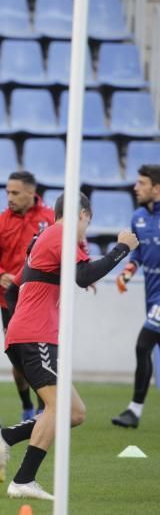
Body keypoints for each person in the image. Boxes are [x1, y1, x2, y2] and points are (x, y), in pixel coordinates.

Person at [0, 192, 138, 500]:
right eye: (88, 224)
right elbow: (83, 275)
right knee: (57, 407)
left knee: (75, 412)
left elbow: (14, 290)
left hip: (30, 334)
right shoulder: (62, 234)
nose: (85, 233)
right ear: (83, 215)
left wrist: (18, 324)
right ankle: (24, 480)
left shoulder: (46, 238)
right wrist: (123, 248)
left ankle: (5, 436)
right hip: (35, 336)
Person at [0, 171, 55, 420]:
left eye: (14, 193)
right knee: (19, 363)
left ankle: (44, 409)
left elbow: (76, 246)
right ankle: (26, 407)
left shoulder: (51, 219)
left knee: (45, 359)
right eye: (7, 192)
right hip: (10, 302)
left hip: (45, 303)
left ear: (31, 193)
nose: (9, 197)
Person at [112, 164, 160, 428]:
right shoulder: (139, 216)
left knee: (143, 346)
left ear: (157, 188)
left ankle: (134, 411)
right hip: (151, 297)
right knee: (147, 349)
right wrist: (126, 274)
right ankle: (134, 412)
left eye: (141, 183)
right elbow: (139, 255)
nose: (135, 187)